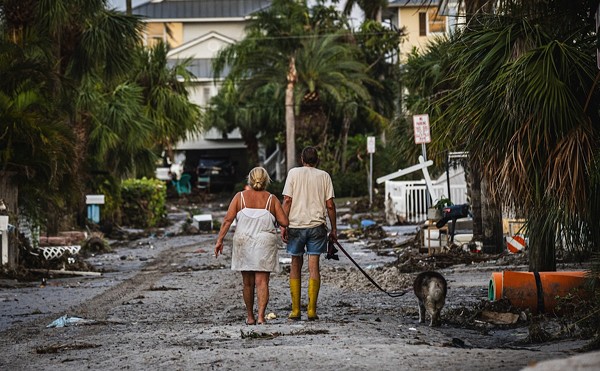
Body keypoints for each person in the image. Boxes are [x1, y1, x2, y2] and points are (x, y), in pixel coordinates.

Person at [214, 167, 289, 325]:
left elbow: (228, 220)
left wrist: (219, 240)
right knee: (262, 282)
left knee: (247, 283)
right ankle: (261, 317)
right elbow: (284, 222)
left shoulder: (239, 197)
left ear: (249, 179)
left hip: (244, 241)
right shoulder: (271, 199)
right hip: (264, 243)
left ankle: (250, 317)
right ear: (266, 180)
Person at [281, 146, 337, 321]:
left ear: (301, 159)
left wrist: (283, 225)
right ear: (317, 160)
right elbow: (330, 205)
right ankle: (312, 310)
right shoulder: (324, 176)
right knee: (314, 267)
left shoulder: (293, 174)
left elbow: (287, 201)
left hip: (296, 226)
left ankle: (296, 310)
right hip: (317, 227)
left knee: (295, 265)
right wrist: (334, 229)